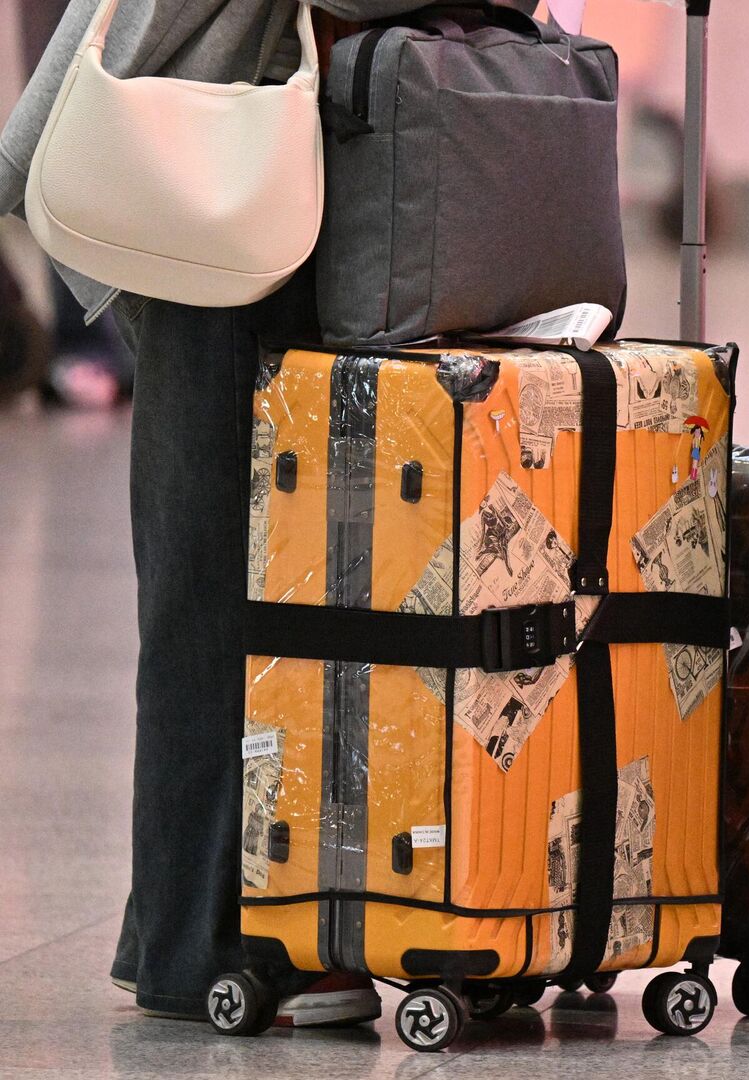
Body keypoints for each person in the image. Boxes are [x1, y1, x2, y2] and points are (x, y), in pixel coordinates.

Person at [0, 0, 483, 1027]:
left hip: (332, 159)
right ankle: (211, 937)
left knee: (271, 571)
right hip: (240, 171)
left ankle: (210, 925)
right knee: (219, 570)